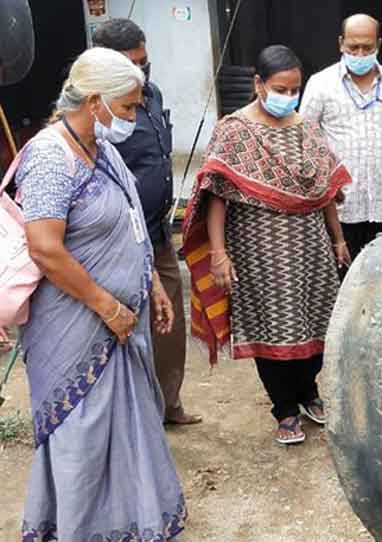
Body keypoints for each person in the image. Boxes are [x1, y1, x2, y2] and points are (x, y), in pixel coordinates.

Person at [15, 47, 185, 541]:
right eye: (128, 107)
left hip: (120, 321)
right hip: (74, 327)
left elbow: (132, 223)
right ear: (94, 101)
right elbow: (45, 249)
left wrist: (150, 284)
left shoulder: (103, 149)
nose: (132, 117)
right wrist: (106, 305)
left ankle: (131, 523)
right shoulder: (49, 156)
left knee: (130, 426)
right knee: (83, 434)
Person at [182, 45, 351, 445]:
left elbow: (324, 188)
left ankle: (309, 391)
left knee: (318, 320)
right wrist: (220, 254)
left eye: (294, 89)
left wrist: (338, 238)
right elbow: (217, 194)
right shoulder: (234, 130)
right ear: (258, 83)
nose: (288, 96)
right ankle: (284, 408)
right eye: (280, 88)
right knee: (271, 325)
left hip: (310, 245)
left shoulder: (307, 127)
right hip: (259, 250)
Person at [93, 18, 201, 425]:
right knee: (125, 328)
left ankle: (168, 403)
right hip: (114, 243)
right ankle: (133, 418)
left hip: (156, 233)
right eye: (130, 64)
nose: (140, 72)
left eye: (145, 61)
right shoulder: (97, 108)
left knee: (168, 325)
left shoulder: (150, 94)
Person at [300, 14, 382, 262]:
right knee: (342, 279)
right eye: (353, 47)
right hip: (339, 208)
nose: (359, 53)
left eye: (367, 47)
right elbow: (306, 140)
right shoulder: (320, 84)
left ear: (378, 45)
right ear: (340, 44)